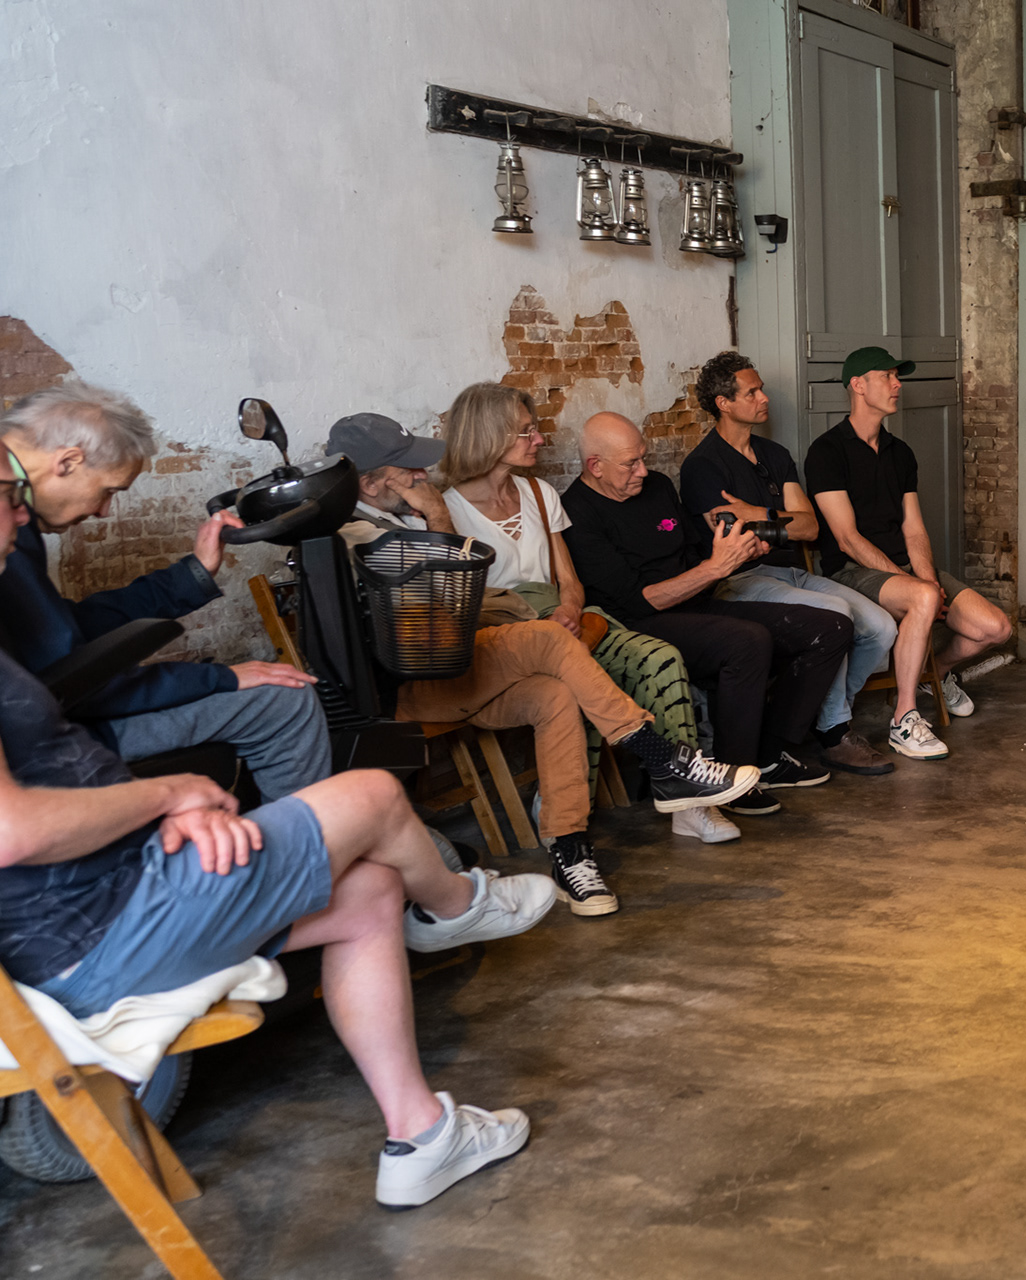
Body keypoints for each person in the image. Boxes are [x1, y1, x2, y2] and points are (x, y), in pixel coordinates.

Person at [0, 474, 556, 1209]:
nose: (19, 508)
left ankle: (422, 1137)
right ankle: (457, 905)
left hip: (111, 896)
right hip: (99, 936)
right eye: (7, 490)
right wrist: (173, 793)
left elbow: (48, 776)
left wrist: (152, 814)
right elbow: (12, 831)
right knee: (375, 798)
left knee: (369, 892)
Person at [329, 413, 751, 911]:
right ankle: (665, 760)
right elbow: (442, 621)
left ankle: (569, 850)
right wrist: (439, 516)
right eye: (409, 471)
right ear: (368, 481)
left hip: (466, 671)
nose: (424, 478)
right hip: (416, 687)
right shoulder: (356, 533)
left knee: (555, 696)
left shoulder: (396, 518)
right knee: (552, 641)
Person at [438, 383, 758, 850]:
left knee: (662, 657)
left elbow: (568, 579)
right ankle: (565, 811)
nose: (540, 440)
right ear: (490, 437)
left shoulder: (537, 490)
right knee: (567, 686)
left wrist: (569, 609)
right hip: (505, 636)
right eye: (527, 432)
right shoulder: (447, 512)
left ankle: (687, 802)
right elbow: (457, 600)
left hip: (565, 619)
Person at [0, 383, 329, 800]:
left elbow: (63, 630)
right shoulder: (11, 530)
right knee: (286, 700)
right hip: (51, 737)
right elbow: (78, 680)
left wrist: (191, 575)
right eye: (108, 492)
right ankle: (311, 852)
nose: (102, 512)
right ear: (67, 461)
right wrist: (219, 677)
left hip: (48, 715)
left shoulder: (14, 523)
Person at [561, 412, 854, 821]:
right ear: (595, 466)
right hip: (639, 624)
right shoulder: (578, 511)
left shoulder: (658, 487)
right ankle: (732, 777)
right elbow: (641, 601)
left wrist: (740, 549)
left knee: (831, 627)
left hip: (700, 603)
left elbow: (699, 551)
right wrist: (715, 569)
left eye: (643, 458)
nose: (644, 470)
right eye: (632, 463)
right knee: (747, 640)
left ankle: (768, 756)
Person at [680, 351, 897, 777]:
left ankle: (822, 715)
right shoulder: (703, 466)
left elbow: (811, 528)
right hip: (738, 581)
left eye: (761, 388)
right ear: (723, 403)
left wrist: (755, 513)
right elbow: (734, 541)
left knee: (881, 626)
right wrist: (774, 521)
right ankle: (835, 733)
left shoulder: (774, 454)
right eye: (752, 391)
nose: (764, 398)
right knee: (834, 614)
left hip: (791, 572)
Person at [803, 347, 1013, 761]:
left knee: (995, 628)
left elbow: (913, 527)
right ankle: (904, 720)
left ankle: (934, 672)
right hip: (851, 571)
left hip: (905, 570)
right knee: (922, 597)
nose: (898, 385)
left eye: (898, 377)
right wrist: (920, 589)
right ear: (858, 385)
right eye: (888, 376)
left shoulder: (900, 452)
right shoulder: (827, 451)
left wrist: (927, 579)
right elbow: (846, 539)